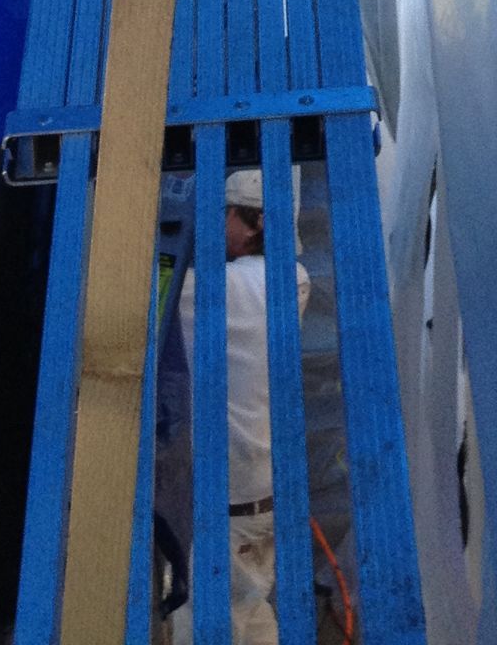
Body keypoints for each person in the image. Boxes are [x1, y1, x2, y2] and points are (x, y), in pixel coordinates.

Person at [176, 171, 310, 645]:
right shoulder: (293, 279)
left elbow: (145, 293)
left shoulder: (219, 290)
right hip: (268, 492)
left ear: (253, 222)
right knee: (252, 615)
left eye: (225, 214)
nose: (216, 224)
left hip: (230, 502)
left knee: (209, 625)